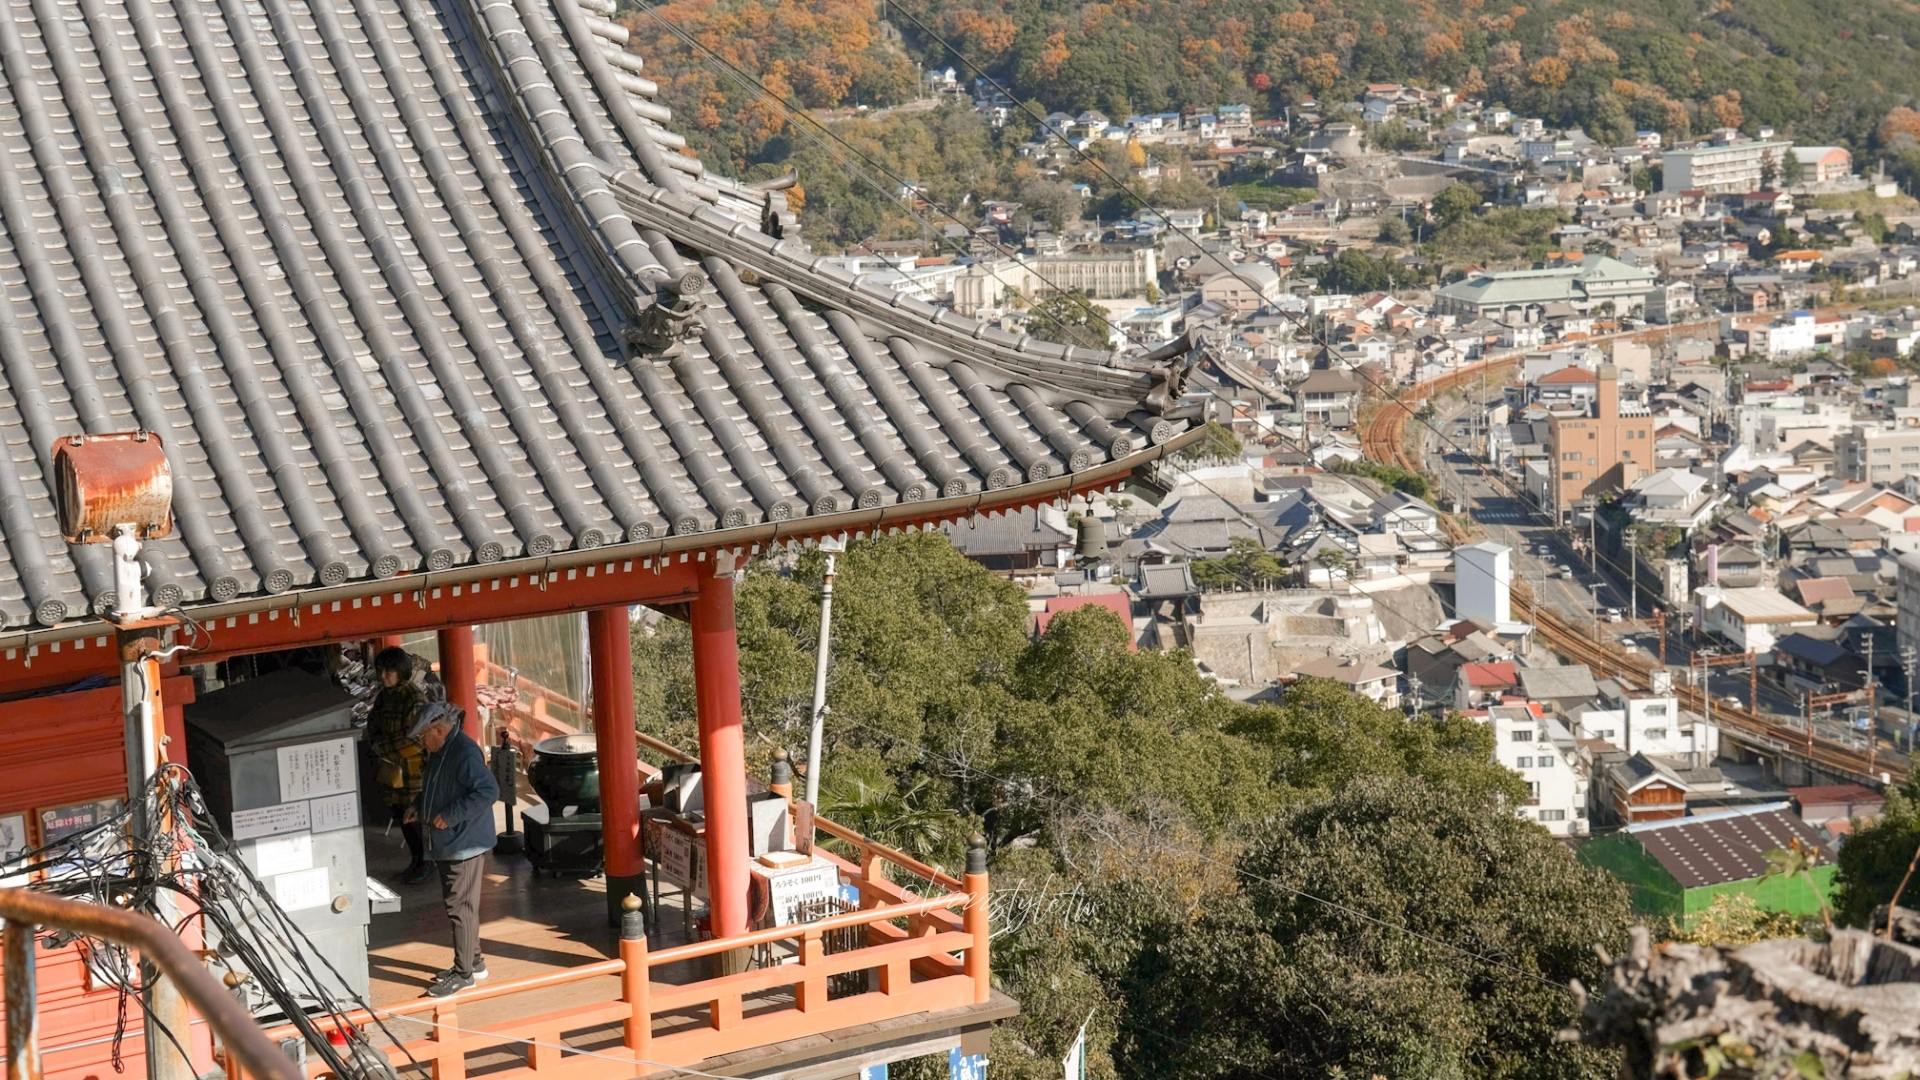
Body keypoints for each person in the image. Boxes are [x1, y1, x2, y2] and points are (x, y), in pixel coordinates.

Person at [407, 701, 499, 997]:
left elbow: (488, 791)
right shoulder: (440, 751)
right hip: (452, 841)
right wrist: (418, 806)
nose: (422, 743)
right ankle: (475, 963)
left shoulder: (464, 751)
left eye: (423, 737)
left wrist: (451, 815)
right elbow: (436, 789)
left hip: (464, 842)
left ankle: (464, 973)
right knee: (461, 906)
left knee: (460, 907)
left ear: (438, 729)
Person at [366, 647, 428, 883]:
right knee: (399, 814)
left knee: (413, 816)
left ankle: (424, 862)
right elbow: (372, 725)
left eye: (388, 671)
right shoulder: (383, 696)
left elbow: (417, 739)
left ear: (400, 671)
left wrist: (384, 748)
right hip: (391, 769)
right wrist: (378, 744)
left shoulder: (414, 698)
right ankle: (415, 860)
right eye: (380, 671)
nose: (383, 676)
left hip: (412, 770)